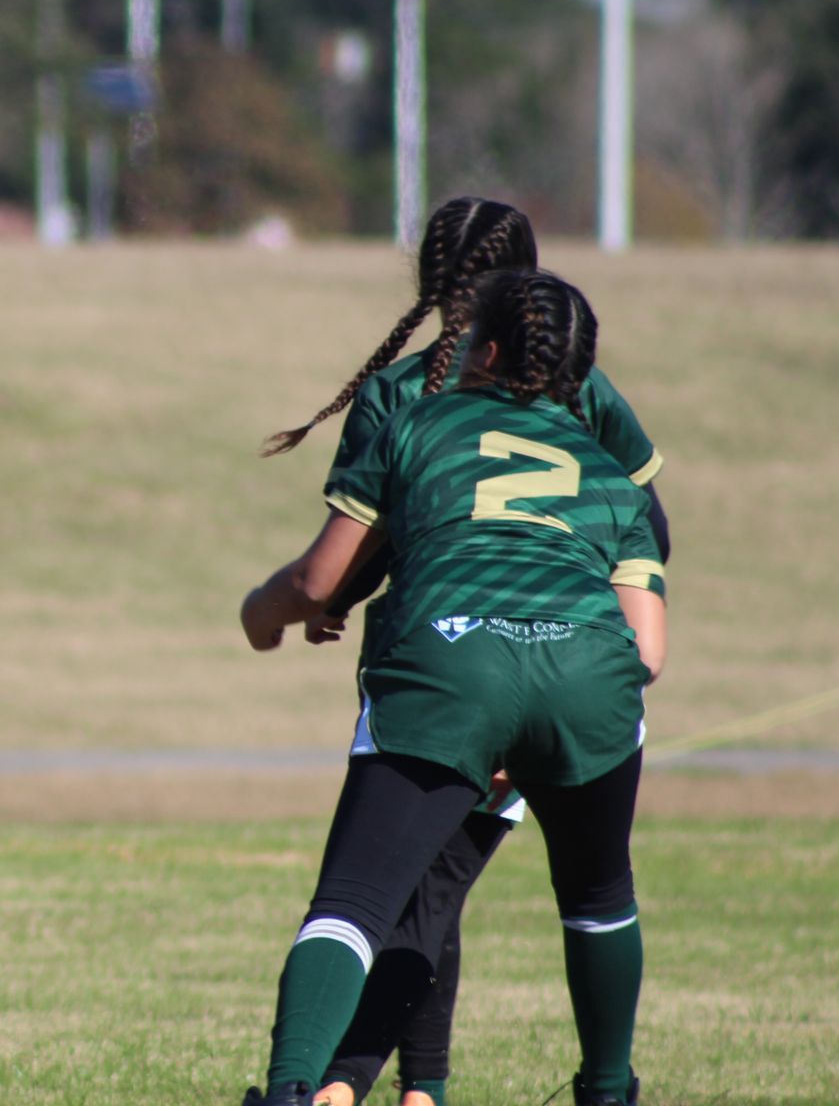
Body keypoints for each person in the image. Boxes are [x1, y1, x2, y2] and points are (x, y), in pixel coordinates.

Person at [261, 197, 667, 1106]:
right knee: (530, 892)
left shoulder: (405, 405)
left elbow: (349, 558)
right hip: (578, 669)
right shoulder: (593, 426)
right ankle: (574, 1088)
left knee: (389, 890)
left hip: (441, 659)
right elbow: (647, 569)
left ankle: (342, 1085)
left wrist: (302, 609)